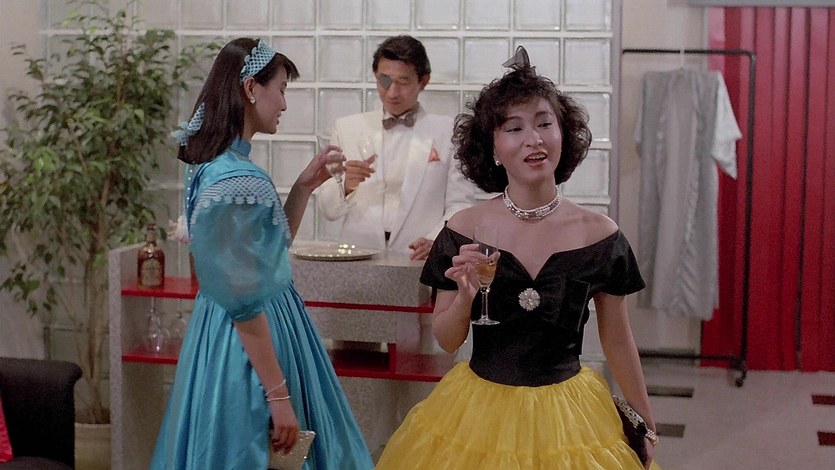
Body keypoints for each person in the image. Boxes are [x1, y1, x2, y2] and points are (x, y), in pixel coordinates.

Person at [375, 48, 661, 469]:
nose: (534, 139)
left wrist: (645, 423)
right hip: (477, 410)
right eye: (514, 127)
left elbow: (618, 339)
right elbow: (448, 340)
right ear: (492, 147)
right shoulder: (463, 229)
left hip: (571, 414)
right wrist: (466, 295)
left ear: (564, 134)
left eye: (545, 123)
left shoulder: (601, 235)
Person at [150, 38, 373, 469]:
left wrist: (304, 187)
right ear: (252, 88)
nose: (284, 104)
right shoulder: (238, 179)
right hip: (252, 333)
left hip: (222, 330)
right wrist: (278, 394)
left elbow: (263, 255)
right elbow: (246, 297)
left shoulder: (214, 166)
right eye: (282, 89)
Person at [317, 35, 475, 261]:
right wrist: (347, 186)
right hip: (356, 254)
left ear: (423, 81)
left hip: (420, 256)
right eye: (384, 80)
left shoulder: (449, 132)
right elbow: (327, 210)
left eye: (403, 81)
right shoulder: (347, 128)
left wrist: (438, 240)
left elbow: (460, 204)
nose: (392, 92)